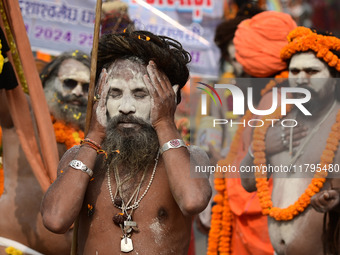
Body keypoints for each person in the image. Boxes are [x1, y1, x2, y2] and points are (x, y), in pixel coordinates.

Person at [41, 30, 212, 255]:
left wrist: (164, 122)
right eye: (115, 93)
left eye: (141, 94)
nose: (126, 107)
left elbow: (192, 201)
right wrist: (93, 136)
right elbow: (55, 220)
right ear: (100, 99)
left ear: (167, 99)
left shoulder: (192, 158)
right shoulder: (80, 157)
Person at [240, 27, 340, 255]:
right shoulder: (276, 122)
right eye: (294, 71)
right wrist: (261, 148)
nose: (301, 79)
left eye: (312, 71)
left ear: (335, 79)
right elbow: (247, 183)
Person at [207, 11, 296, 255]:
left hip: (262, 215)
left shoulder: (278, 98)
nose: (237, 63)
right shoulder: (229, 90)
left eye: (240, 55)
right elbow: (212, 130)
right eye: (232, 56)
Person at [0, 50, 91, 255]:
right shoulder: (26, 112)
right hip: (6, 244)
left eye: (86, 87)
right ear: (49, 81)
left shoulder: (95, 138)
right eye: (69, 83)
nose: (78, 92)